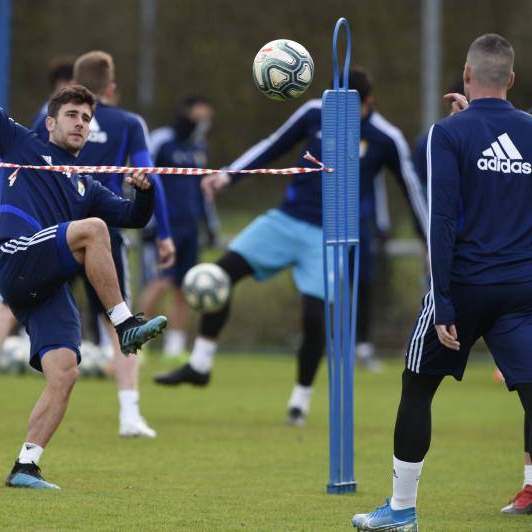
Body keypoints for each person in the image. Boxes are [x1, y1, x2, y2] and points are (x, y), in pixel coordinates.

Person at [0, 2, 167, 489]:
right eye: (71, 114)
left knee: (65, 371)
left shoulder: (87, 183)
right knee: (93, 229)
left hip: (46, 280)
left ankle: (25, 465)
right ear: (49, 122)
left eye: (86, 117)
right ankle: (124, 325)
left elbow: (133, 219)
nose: (80, 122)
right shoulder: (20, 144)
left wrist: (146, 190)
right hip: (15, 258)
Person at [154, 66, 428, 427]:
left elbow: (412, 189)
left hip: (328, 237)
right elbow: (273, 145)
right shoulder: (314, 112)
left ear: (368, 104)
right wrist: (228, 175)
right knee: (219, 275)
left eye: (348, 108)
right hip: (284, 221)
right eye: (334, 104)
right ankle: (200, 364)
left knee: (315, 318)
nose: (337, 114)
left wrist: (428, 242)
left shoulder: (385, 137)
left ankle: (300, 401)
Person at [352, 34, 532, 530]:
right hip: (523, 287)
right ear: (511, 79)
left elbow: (442, 220)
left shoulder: (446, 134)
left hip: (466, 285)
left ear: (468, 76)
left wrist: (445, 300)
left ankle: (402, 511)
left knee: (417, 386)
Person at [139, 96, 217, 358]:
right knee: (161, 283)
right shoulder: (163, 140)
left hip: (190, 227)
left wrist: (210, 226)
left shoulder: (199, 147)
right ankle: (140, 338)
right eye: (200, 116)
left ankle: (175, 346)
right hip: (164, 226)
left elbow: (204, 189)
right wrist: (146, 217)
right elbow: (143, 174)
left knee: (185, 288)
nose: (204, 122)